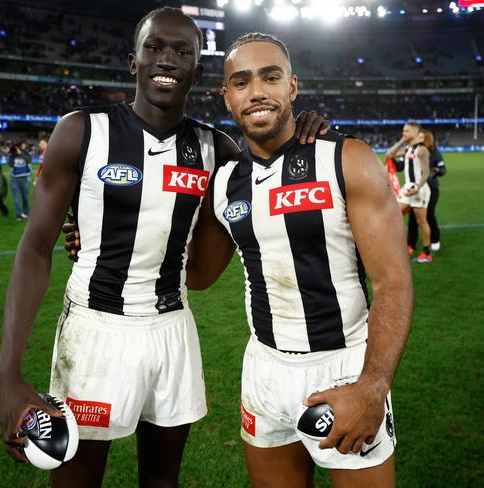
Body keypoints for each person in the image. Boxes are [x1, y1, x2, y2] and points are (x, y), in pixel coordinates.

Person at [0, 9, 328, 488]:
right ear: (134, 61)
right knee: (76, 481)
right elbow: (33, 250)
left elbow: (273, 159)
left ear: (197, 70)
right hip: (94, 331)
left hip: (173, 328)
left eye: (182, 51)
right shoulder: (83, 131)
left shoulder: (217, 150)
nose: (166, 60)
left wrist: (306, 127)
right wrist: (7, 373)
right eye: (155, 48)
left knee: (162, 482)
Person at [183, 33, 413, 488]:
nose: (257, 92)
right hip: (263, 370)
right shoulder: (224, 182)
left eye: (271, 77)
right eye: (241, 81)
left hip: (345, 366)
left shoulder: (346, 159)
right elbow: (197, 275)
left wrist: (373, 386)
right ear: (226, 96)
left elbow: (393, 282)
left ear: (292, 87)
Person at [386, 121, 432, 263]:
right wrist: (402, 140)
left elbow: (426, 173)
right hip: (407, 189)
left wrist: (417, 188)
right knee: (393, 215)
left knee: (421, 221)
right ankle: (403, 246)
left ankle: (426, 253)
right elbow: (389, 155)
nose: (403, 133)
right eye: (403, 131)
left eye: (406, 131)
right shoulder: (408, 148)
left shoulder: (422, 150)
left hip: (419, 190)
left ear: (415, 132)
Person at [407, 129, 445, 252]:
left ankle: (435, 239)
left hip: (431, 189)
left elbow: (443, 169)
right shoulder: (413, 150)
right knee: (413, 217)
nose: (420, 139)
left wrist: (434, 171)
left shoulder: (434, 152)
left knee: (429, 214)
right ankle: (411, 244)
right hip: (416, 189)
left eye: (422, 137)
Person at [8, 141, 31, 220]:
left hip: (24, 179)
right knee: (16, 199)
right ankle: (18, 215)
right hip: (14, 180)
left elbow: (28, 160)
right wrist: (12, 155)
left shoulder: (26, 153)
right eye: (23, 145)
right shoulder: (13, 155)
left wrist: (20, 153)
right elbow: (10, 164)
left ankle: (26, 213)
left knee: (25, 198)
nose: (24, 146)